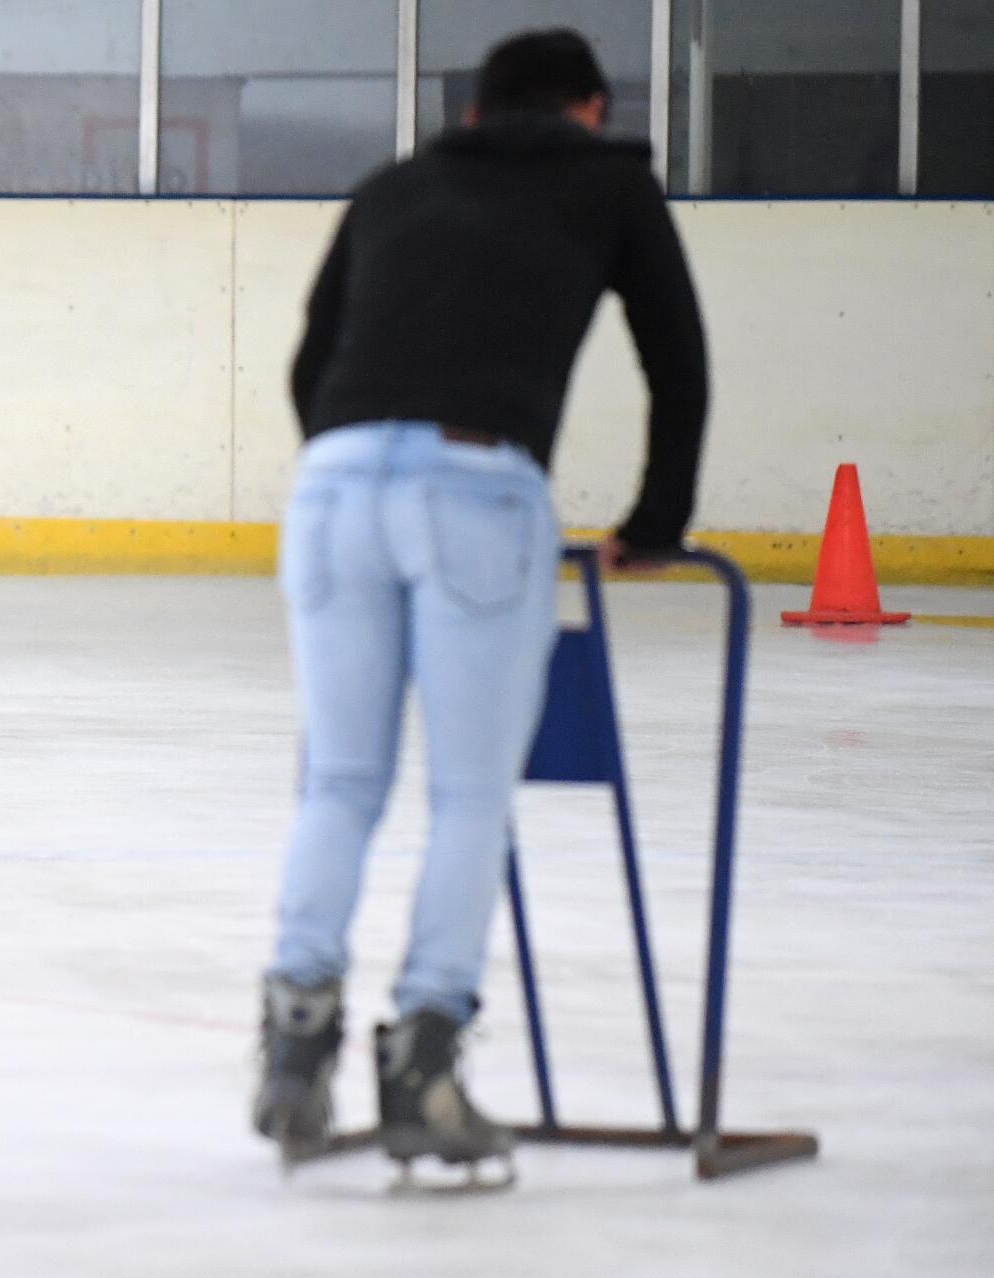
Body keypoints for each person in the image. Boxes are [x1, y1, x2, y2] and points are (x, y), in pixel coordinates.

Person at [254, 29, 709, 1171]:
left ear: (471, 114)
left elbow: (310, 366)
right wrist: (653, 526)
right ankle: (423, 1061)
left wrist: (363, 460)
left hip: (331, 487)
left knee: (342, 779)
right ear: (589, 110)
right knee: (467, 794)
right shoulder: (608, 181)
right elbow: (677, 361)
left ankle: (295, 1038)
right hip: (477, 482)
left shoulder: (395, 183)